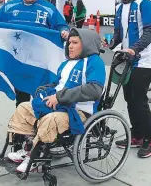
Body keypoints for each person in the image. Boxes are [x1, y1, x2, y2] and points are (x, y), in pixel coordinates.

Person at [6, 28, 106, 172]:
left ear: (86, 44)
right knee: (24, 108)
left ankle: (35, 157)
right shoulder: (67, 63)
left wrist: (59, 97)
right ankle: (28, 148)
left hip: (79, 111)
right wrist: (45, 92)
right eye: (69, 42)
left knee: (50, 119)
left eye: (75, 42)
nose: (69, 46)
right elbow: (56, 84)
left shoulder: (95, 62)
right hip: (59, 103)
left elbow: (94, 90)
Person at [0, 0, 70, 108]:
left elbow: (61, 25)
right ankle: (22, 127)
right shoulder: (9, 7)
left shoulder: (49, 9)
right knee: (22, 101)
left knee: (43, 99)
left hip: (42, 64)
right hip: (19, 63)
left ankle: (42, 127)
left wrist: (64, 31)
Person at [110, 0, 151, 158]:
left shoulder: (144, 3)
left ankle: (150, 139)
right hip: (126, 61)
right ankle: (136, 134)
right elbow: (118, 34)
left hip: (142, 61)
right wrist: (111, 43)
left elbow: (150, 31)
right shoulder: (120, 7)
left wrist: (134, 49)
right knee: (129, 99)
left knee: (139, 101)